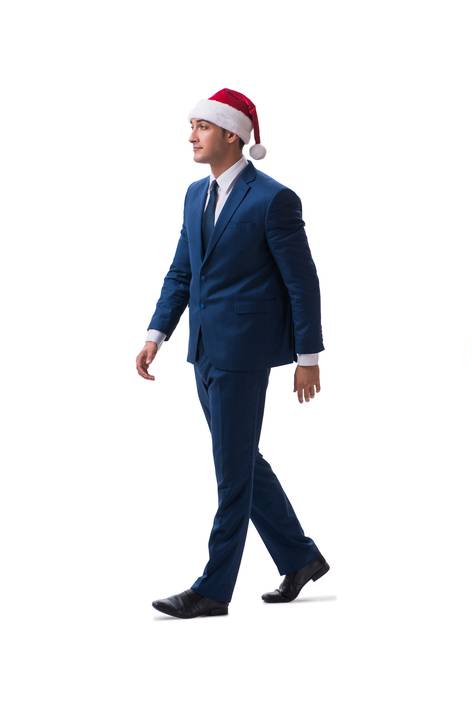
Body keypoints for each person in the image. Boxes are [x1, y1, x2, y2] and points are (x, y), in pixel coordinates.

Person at [140, 88, 330, 619]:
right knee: (242, 459)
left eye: (202, 126)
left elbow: (302, 283)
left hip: (244, 352)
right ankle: (300, 556)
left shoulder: (274, 199)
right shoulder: (191, 195)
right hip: (203, 349)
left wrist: (307, 356)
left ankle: (213, 588)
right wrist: (158, 332)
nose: (191, 135)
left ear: (232, 135)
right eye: (192, 125)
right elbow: (182, 270)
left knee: (232, 470)